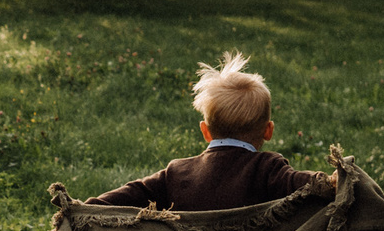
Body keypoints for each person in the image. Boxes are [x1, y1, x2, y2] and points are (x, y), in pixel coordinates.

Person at [86, 52, 312, 211]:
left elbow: (131, 194)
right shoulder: (268, 169)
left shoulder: (177, 173)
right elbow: (303, 183)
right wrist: (335, 180)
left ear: (205, 131)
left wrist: (82, 208)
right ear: (268, 131)